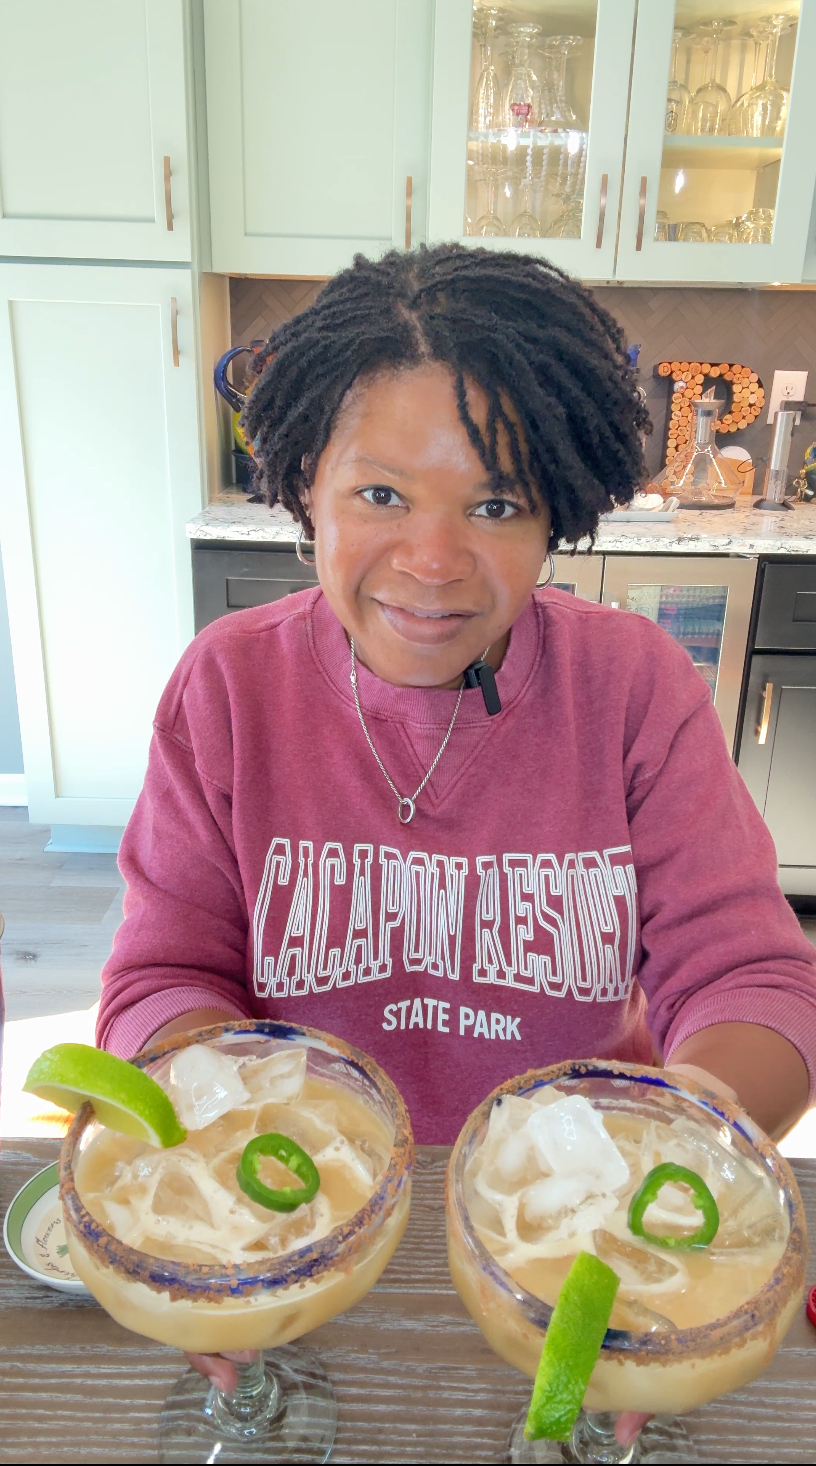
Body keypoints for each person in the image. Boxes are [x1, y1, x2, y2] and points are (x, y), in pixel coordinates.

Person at [97, 245, 816, 1427]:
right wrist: (226, 1175)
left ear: (557, 514)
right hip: (311, 1232)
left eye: (496, 504)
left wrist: (655, 1181)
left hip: (575, 1255)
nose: (433, 564)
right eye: (380, 493)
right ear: (302, 487)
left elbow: (753, 976)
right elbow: (165, 972)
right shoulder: (227, 688)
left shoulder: (632, 687)